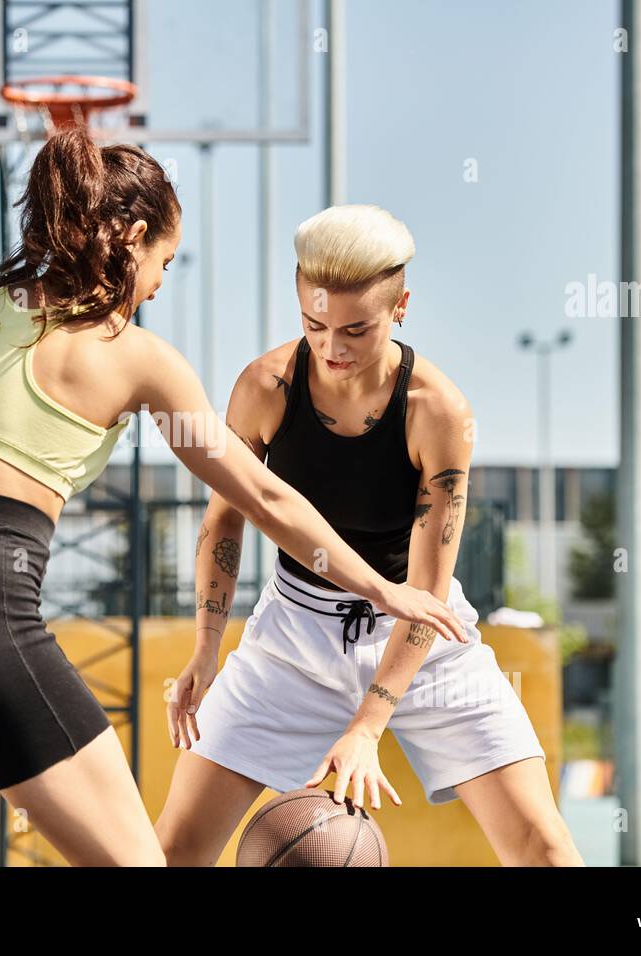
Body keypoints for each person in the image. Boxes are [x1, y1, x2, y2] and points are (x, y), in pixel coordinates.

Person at [0, 134, 467, 867]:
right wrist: (381, 589)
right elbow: (262, 494)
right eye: (165, 261)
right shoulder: (134, 355)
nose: (162, 282)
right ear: (135, 239)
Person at [155, 205, 585, 866]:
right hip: (291, 641)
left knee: (546, 848)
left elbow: (426, 592)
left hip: (424, 640)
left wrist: (368, 725)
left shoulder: (437, 411)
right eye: (314, 324)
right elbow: (224, 520)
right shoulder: (266, 386)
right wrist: (207, 648)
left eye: (356, 329)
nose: (333, 348)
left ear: (401, 306)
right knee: (175, 851)